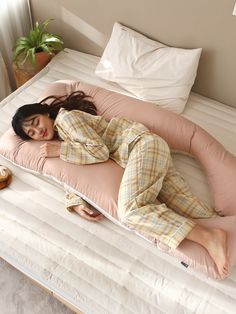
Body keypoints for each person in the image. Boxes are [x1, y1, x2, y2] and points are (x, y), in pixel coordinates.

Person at [11, 91, 229, 278]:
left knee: (131, 211)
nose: (37, 131)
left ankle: (209, 237)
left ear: (46, 113)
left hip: (141, 146)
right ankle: (225, 229)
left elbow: (98, 151)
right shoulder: (62, 139)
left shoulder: (66, 120)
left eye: (36, 122)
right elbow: (75, 173)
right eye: (31, 133)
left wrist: (60, 151)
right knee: (190, 208)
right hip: (144, 152)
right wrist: (75, 201)